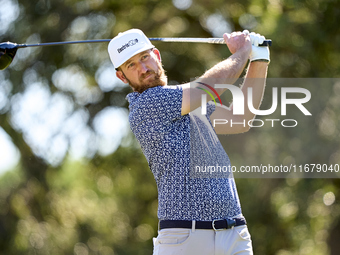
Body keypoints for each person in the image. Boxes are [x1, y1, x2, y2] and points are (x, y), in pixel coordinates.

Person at [108, 28, 269, 255]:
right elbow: (208, 87)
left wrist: (259, 59)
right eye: (131, 65)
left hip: (234, 234)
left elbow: (240, 119)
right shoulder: (146, 105)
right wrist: (242, 52)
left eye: (144, 57)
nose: (143, 69)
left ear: (157, 55)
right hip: (184, 239)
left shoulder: (188, 104)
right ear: (121, 76)